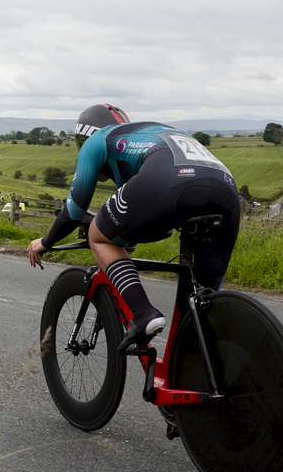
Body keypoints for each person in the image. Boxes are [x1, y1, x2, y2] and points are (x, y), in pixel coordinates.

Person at [27, 104, 240, 352]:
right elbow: (158, 225)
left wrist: (46, 241)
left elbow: (74, 211)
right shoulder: (149, 135)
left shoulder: (99, 139)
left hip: (171, 176)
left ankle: (143, 314)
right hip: (226, 187)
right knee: (197, 312)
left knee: (99, 236)